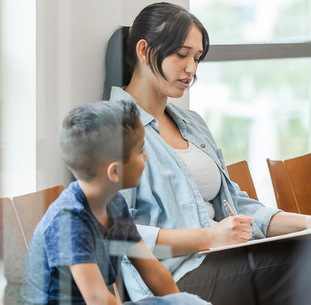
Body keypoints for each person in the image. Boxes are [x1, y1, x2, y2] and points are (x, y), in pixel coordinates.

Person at [104, 2, 311, 305]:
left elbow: (236, 206)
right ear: (143, 51)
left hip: (222, 258)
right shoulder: (112, 126)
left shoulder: (192, 123)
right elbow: (115, 234)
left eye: (197, 57)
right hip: (172, 279)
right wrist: (208, 238)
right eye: (181, 54)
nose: (191, 68)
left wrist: (307, 222)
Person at [20, 101, 210, 305]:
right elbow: (97, 298)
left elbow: (153, 272)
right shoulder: (69, 221)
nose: (145, 157)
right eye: (139, 152)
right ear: (115, 171)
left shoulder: (115, 206)